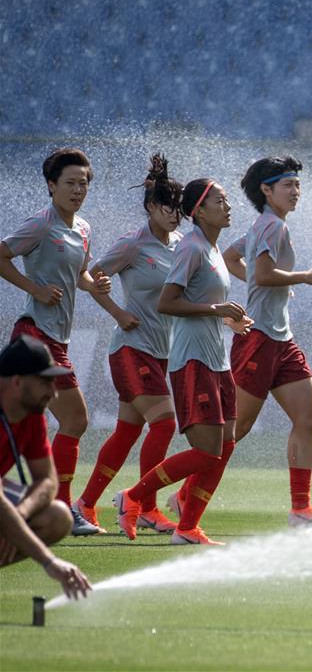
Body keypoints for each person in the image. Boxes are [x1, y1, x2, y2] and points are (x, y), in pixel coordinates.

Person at [115, 178, 251, 545]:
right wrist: (215, 309)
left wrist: (227, 320)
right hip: (193, 361)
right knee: (207, 450)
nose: (228, 206)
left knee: (227, 444)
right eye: (220, 200)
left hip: (217, 361)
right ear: (199, 210)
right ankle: (132, 497)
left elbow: (202, 304)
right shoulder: (191, 248)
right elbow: (167, 303)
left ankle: (188, 528)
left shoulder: (211, 248)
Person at [0, 148, 111, 535]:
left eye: (83, 183)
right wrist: (36, 288)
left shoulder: (82, 228)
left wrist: (94, 283)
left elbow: (79, 272)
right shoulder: (41, 224)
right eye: (70, 183)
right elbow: (1, 255)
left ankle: (49, 503)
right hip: (35, 335)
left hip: (56, 338)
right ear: (51, 186)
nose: (78, 190)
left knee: (53, 422)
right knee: (75, 419)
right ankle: (62, 507)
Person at [221, 155, 312, 526]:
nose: (295, 191)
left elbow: (230, 257)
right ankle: (168, 494)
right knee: (234, 430)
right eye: (287, 185)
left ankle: (301, 509)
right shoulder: (272, 226)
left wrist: (264, 282)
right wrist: (302, 276)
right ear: (266, 191)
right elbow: (265, 274)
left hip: (280, 338)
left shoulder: (266, 225)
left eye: (297, 184)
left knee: (307, 417)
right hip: (259, 339)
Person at [73, 154, 183, 534]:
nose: (175, 215)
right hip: (131, 348)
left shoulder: (181, 244)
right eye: (167, 208)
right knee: (165, 424)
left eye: (179, 209)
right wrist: (118, 313)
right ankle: (146, 505)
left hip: (162, 351)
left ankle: (85, 505)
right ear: (151, 207)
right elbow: (88, 276)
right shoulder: (133, 244)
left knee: (128, 432)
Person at [0, 334, 91, 598]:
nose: (53, 393)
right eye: (45, 382)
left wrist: (20, 515)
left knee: (57, 517)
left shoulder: (31, 413)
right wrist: (49, 562)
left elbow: (48, 480)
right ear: (17, 381)